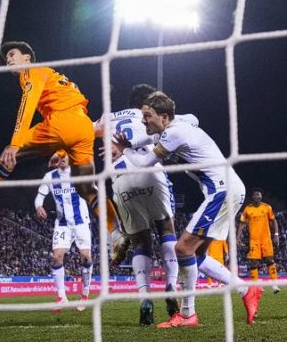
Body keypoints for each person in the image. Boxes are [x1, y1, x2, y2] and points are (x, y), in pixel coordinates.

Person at [111, 91, 262, 327]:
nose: (143, 121)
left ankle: (188, 314)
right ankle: (246, 290)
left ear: (162, 117)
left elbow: (142, 164)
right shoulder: (181, 122)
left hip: (221, 191)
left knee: (182, 248)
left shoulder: (175, 132)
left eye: (147, 116)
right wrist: (132, 143)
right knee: (197, 255)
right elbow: (190, 119)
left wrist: (125, 150)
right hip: (227, 189)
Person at [0, 41, 116, 229]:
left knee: (8, 156)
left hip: (61, 121)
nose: (8, 60)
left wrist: (15, 143)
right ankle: (117, 233)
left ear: (26, 58)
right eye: (6, 58)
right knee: (87, 189)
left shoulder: (31, 71)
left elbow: (27, 104)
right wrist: (60, 152)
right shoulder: (51, 74)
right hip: (83, 126)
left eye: (12, 54)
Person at [95, 84, 181, 325]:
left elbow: (84, 132)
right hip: (150, 171)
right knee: (166, 229)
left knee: (140, 242)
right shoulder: (150, 116)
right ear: (148, 103)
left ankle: (145, 298)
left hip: (120, 180)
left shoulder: (107, 118)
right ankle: (172, 284)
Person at [34, 155, 93, 312]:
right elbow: (39, 196)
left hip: (81, 222)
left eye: (64, 155)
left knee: (86, 257)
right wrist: (38, 206)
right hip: (62, 224)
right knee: (56, 257)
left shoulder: (79, 172)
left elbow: (94, 191)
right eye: (58, 156)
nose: (62, 158)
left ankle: (85, 295)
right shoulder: (50, 176)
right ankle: (61, 297)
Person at [238, 187, 281, 293]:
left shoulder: (267, 207)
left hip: (266, 239)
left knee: (269, 260)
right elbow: (242, 223)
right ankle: (255, 286)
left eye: (258, 194)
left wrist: (275, 234)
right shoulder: (248, 209)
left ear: (261, 196)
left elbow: (273, 220)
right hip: (254, 240)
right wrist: (238, 237)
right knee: (253, 263)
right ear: (252, 197)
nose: (256, 196)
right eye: (254, 194)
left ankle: (274, 284)